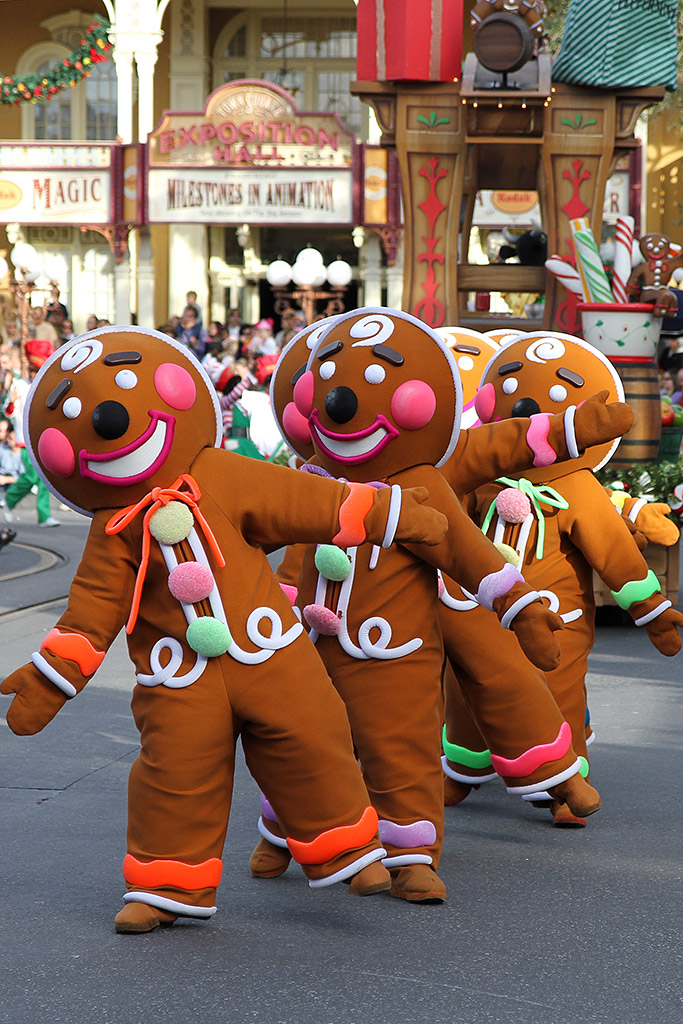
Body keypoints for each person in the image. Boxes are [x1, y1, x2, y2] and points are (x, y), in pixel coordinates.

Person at [2, 339, 59, 528]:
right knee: (34, 478)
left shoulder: (45, 387)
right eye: (33, 370)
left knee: (42, 480)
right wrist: (11, 401)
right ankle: (11, 500)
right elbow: (8, 411)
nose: (35, 374)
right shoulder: (20, 385)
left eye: (38, 370)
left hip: (40, 440)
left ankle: (42, 516)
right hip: (24, 440)